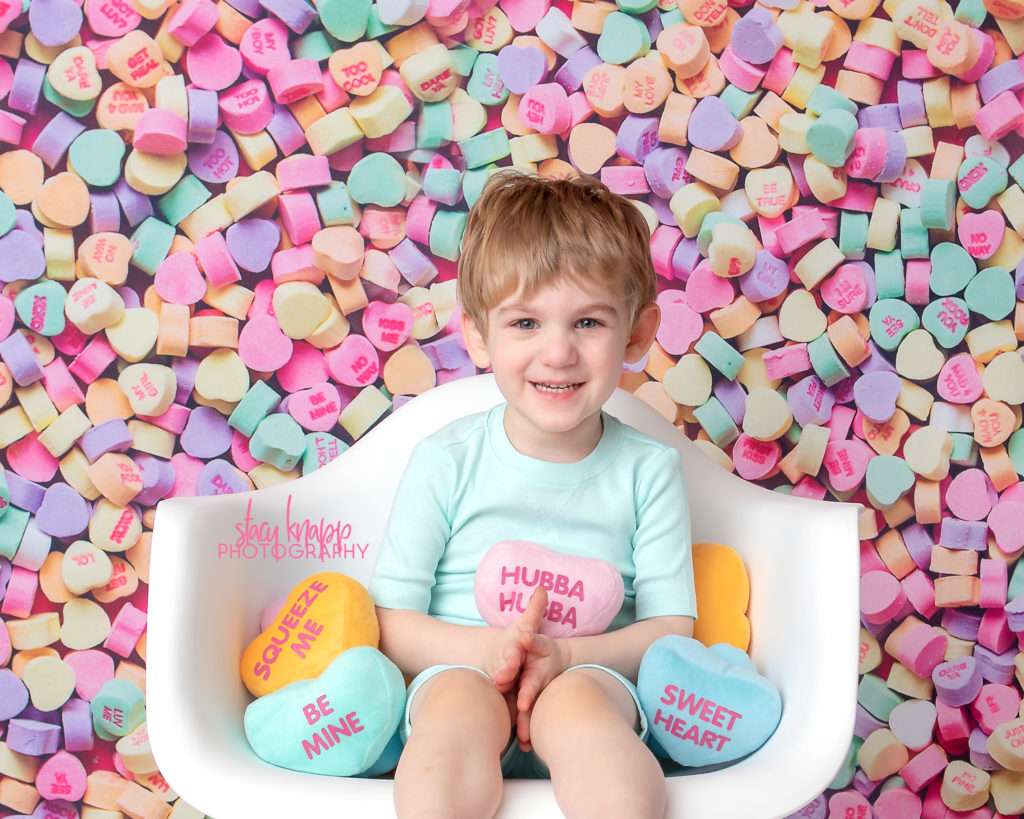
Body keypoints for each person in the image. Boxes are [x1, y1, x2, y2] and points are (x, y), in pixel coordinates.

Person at [369, 168, 697, 819]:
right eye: (524, 322)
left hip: (590, 677)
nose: (558, 352)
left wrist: (569, 655)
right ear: (477, 334)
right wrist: (484, 652)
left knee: (581, 716)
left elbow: (671, 629)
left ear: (635, 334)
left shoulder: (649, 469)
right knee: (457, 713)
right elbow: (389, 621)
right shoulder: (445, 458)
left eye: (587, 322)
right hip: (460, 671)